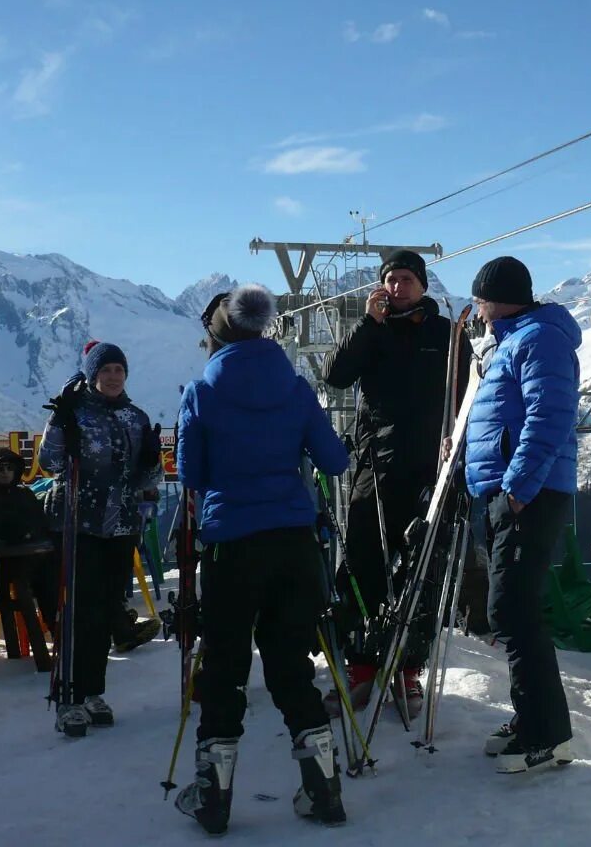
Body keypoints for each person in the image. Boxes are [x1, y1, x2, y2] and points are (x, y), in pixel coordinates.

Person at [174, 285, 350, 835]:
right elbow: (334, 460)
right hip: (295, 543)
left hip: (232, 545)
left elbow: (191, 474)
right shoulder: (296, 388)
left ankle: (213, 796)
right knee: (291, 664)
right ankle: (323, 790)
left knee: (225, 666)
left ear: (216, 334)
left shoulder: (202, 391)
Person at [321, 249, 471, 715]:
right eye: (391, 279)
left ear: (423, 284)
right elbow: (335, 376)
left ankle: (407, 670)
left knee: (419, 570)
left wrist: (458, 448)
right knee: (365, 561)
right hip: (375, 462)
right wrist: (367, 325)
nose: (398, 286)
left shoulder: (446, 334)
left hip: (429, 466)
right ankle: (362, 665)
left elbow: (468, 392)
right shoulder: (373, 331)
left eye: (407, 278)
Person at [464, 255, 580, 775]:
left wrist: (517, 488)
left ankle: (547, 732)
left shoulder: (538, 339)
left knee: (512, 611)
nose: (477, 310)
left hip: (527, 495)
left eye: (479, 299)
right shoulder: (513, 339)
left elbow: (549, 416)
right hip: (512, 492)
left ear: (493, 297)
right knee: (513, 610)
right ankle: (531, 717)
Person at [38, 340, 163, 737]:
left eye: (119, 371)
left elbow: (148, 479)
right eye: (106, 370)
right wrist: (58, 423)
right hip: (78, 523)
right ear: (92, 375)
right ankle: (68, 697)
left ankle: (93, 691)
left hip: (121, 526)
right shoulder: (74, 411)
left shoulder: (135, 417)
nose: (113, 377)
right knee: (78, 612)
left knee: (108, 608)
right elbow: (50, 462)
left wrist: (150, 463)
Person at [0, 446, 58, 627]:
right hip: (3, 562)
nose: (6, 473)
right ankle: (43, 631)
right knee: (30, 579)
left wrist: (27, 533)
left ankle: (55, 629)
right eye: (0, 469)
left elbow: (41, 524)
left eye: (9, 468)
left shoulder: (25, 495)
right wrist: (3, 533)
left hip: (34, 558)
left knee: (51, 575)